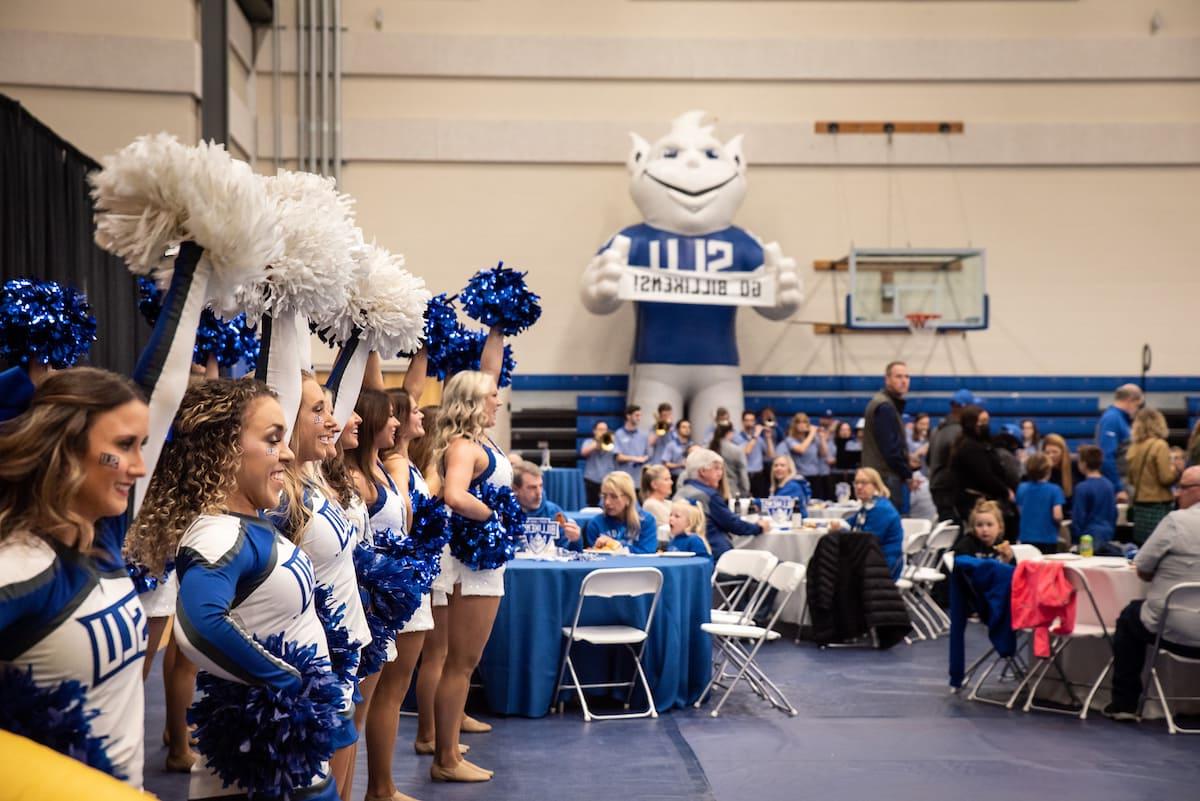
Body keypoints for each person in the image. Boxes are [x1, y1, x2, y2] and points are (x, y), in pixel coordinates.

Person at [137, 379, 339, 801]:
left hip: (289, 761)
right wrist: (290, 684)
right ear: (227, 449)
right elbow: (198, 627)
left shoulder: (250, 522)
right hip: (260, 769)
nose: (286, 452)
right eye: (272, 439)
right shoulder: (217, 533)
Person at [0, 369, 150, 786]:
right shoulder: (19, 568)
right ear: (67, 447)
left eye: (143, 446)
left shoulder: (104, 533)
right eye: (124, 446)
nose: (139, 467)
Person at [272, 374, 370, 799]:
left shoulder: (312, 476)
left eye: (331, 409)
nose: (333, 420)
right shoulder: (279, 498)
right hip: (315, 663)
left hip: (344, 652)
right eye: (318, 411)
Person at [430, 355, 510, 782]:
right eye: (492, 395)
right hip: (469, 564)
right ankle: (445, 760)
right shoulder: (464, 446)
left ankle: (447, 748)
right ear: (474, 402)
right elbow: (455, 496)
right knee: (461, 662)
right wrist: (494, 516)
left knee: (462, 661)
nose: (499, 400)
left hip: (480, 562)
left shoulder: (483, 442)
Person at [1103, 465, 1200, 721]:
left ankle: (1124, 704)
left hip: (1171, 627)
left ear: (1196, 492)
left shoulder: (1176, 522)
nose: (1177, 494)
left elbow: (1143, 566)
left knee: (1129, 617)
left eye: (1182, 488)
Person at [675, 448, 770, 559]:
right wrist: (758, 527)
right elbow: (733, 524)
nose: (720, 474)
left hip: (685, 551)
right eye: (716, 468)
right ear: (703, 472)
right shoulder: (708, 495)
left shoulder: (680, 493)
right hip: (716, 554)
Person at [950, 405, 1016, 531]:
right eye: (982, 422)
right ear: (972, 423)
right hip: (975, 501)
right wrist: (1005, 491)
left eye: (987, 421)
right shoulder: (970, 447)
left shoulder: (980, 444)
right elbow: (985, 476)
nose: (986, 425)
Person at [861, 361, 914, 512]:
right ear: (887, 379)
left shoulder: (886, 403)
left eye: (907, 376)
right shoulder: (884, 406)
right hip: (885, 477)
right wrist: (907, 473)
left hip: (883, 475)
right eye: (898, 376)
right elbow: (890, 449)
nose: (904, 381)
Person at [1126, 407, 1180, 546]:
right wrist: (1177, 470)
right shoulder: (1159, 445)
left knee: (1143, 547)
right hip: (1158, 505)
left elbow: (1131, 479)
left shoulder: (1134, 447)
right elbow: (1165, 478)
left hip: (1140, 504)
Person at [845, 467, 905, 580]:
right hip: (873, 560)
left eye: (864, 483)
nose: (858, 487)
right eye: (856, 482)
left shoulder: (881, 509)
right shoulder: (869, 505)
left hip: (884, 565)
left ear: (876, 486)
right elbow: (849, 524)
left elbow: (866, 541)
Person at [928, 389, 978, 522]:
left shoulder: (937, 429)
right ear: (964, 408)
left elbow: (928, 460)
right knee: (954, 531)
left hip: (937, 486)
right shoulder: (959, 432)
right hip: (949, 490)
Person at [579, 472, 658, 553]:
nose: (607, 502)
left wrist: (616, 546)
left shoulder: (646, 521)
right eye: (604, 496)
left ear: (628, 498)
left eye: (614, 497)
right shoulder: (595, 524)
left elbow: (648, 551)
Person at [513, 461, 582, 548]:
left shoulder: (553, 512)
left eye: (541, 486)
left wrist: (575, 540)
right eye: (532, 488)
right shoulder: (504, 514)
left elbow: (568, 553)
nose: (539, 493)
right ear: (515, 489)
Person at [1096, 383, 1144, 502]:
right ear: (1130, 400)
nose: (1137, 410)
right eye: (1137, 405)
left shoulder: (1121, 419)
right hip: (1118, 483)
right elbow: (1106, 456)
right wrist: (1118, 488)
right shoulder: (1112, 419)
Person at [1016, 453, 1065, 554]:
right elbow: (1057, 515)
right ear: (1048, 471)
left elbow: (1020, 511)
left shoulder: (1022, 488)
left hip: (1026, 537)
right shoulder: (1054, 489)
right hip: (1047, 538)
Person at [1071, 444, 1117, 547]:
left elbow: (1078, 516)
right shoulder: (1109, 485)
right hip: (1107, 533)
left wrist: (1075, 539)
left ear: (1083, 464)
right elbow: (1114, 513)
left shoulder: (1082, 487)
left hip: (1087, 536)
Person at [952, 499, 1015, 563]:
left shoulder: (1002, 546)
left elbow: (1014, 571)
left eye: (989, 525)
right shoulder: (965, 546)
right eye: (979, 525)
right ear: (973, 528)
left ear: (1000, 527)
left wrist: (1008, 560)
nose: (985, 529)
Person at [733, 409, 774, 498]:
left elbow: (770, 455)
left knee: (760, 502)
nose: (749, 423)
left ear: (755, 421)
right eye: (747, 420)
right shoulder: (737, 437)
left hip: (759, 476)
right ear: (742, 422)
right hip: (744, 475)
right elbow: (746, 452)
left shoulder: (759, 439)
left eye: (751, 420)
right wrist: (755, 435)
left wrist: (768, 438)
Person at [784, 412, 826, 497]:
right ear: (794, 425)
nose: (802, 425)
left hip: (815, 476)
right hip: (800, 478)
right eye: (799, 422)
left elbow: (823, 453)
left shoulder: (814, 439)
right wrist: (812, 433)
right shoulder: (790, 439)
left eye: (804, 422)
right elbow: (801, 449)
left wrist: (821, 438)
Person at [580, 420, 617, 506]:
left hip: (608, 479)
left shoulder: (612, 441)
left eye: (605, 430)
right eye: (600, 429)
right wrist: (597, 442)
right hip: (592, 480)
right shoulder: (588, 442)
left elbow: (618, 454)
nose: (603, 432)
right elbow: (584, 452)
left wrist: (611, 440)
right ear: (594, 431)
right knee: (592, 505)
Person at [709, 421, 751, 497]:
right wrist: (745, 493)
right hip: (732, 491)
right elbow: (743, 476)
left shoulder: (708, 448)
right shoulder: (737, 450)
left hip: (711, 491)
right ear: (729, 432)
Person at [1041, 433, 1081, 510]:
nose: (1051, 456)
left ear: (1063, 452)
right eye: (1047, 452)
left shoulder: (1075, 464)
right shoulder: (1042, 470)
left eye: (1055, 452)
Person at [613, 404, 649, 482]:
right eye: (637, 415)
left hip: (638, 480)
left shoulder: (643, 435)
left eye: (640, 415)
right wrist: (636, 459)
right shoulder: (619, 434)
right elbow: (618, 457)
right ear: (628, 416)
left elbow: (647, 455)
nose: (639, 418)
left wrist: (644, 458)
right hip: (623, 479)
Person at [639, 463, 673, 528]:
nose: (671, 482)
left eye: (670, 478)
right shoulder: (651, 505)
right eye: (666, 479)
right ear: (654, 485)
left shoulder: (668, 503)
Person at [832, 419, 861, 490]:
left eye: (847, 430)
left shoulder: (856, 444)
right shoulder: (833, 444)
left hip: (853, 474)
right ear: (838, 431)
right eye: (842, 429)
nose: (845, 432)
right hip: (836, 474)